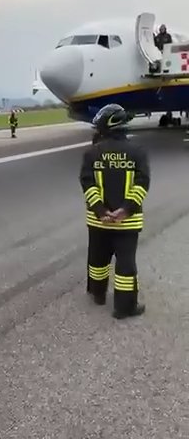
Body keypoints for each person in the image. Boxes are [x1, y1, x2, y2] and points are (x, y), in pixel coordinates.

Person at [79, 103, 150, 319]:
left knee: (97, 258)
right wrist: (126, 210)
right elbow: (142, 183)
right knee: (126, 263)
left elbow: (87, 184)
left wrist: (101, 211)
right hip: (127, 222)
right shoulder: (137, 152)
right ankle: (124, 307)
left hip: (99, 220)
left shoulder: (91, 153)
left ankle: (98, 294)